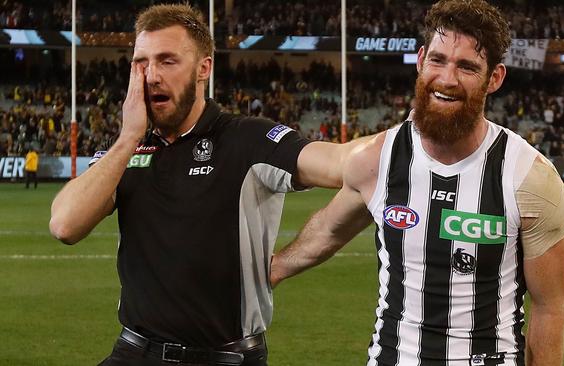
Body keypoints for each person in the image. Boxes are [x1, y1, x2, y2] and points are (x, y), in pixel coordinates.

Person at [49, 4, 366, 366]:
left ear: (204, 68)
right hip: (134, 352)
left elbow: (340, 164)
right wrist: (128, 138)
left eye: (167, 61)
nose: (151, 75)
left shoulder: (248, 139)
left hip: (225, 357)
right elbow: (64, 225)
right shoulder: (125, 152)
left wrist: (410, 139)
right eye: (141, 63)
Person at [270, 1, 564, 365]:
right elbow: (328, 232)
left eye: (467, 67)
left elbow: (549, 309)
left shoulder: (530, 177)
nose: (447, 79)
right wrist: (271, 269)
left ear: (495, 78)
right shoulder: (377, 159)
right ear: (420, 60)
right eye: (438, 60)